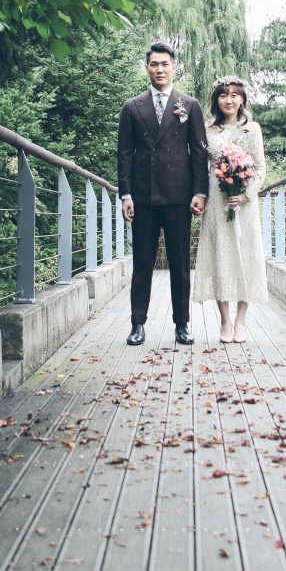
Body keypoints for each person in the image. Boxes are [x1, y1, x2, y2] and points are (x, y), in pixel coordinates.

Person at [117, 43, 209, 346]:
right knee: (142, 262)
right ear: (147, 68)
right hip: (143, 196)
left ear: (173, 67)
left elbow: (198, 152)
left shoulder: (189, 105)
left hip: (179, 195)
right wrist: (125, 194)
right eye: (154, 64)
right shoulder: (132, 107)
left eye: (165, 64)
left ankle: (182, 324)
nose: (159, 69)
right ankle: (137, 324)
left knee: (180, 263)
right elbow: (125, 154)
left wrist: (200, 192)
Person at [193, 76, 267, 343]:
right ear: (216, 100)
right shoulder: (208, 130)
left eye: (234, 95)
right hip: (216, 200)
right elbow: (201, 167)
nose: (229, 100)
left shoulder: (253, 129)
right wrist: (201, 196)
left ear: (242, 99)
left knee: (247, 256)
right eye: (224, 95)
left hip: (244, 204)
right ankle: (224, 321)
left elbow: (260, 168)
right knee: (220, 256)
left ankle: (241, 321)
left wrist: (246, 195)